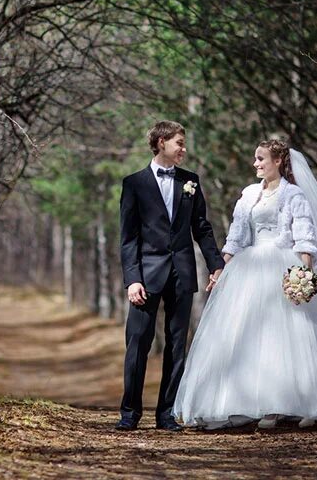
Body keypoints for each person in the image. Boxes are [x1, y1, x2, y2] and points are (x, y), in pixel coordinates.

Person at [173, 139, 317, 430]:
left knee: (298, 337)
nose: (256, 164)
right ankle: (262, 404)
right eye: (255, 159)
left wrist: (305, 275)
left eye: (261, 159)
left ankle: (308, 403)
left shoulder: (294, 195)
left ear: (277, 162)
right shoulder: (249, 194)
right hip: (249, 268)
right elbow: (236, 234)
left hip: (284, 264)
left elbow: (305, 236)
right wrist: (221, 267)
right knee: (252, 335)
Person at [115, 121, 226, 431]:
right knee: (138, 344)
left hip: (182, 272)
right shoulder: (134, 183)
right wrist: (132, 278)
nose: (183, 149)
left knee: (178, 345)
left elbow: (201, 228)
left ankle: (166, 414)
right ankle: (130, 414)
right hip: (145, 277)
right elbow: (128, 238)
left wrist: (216, 263)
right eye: (179, 142)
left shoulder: (191, 181)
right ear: (161, 142)